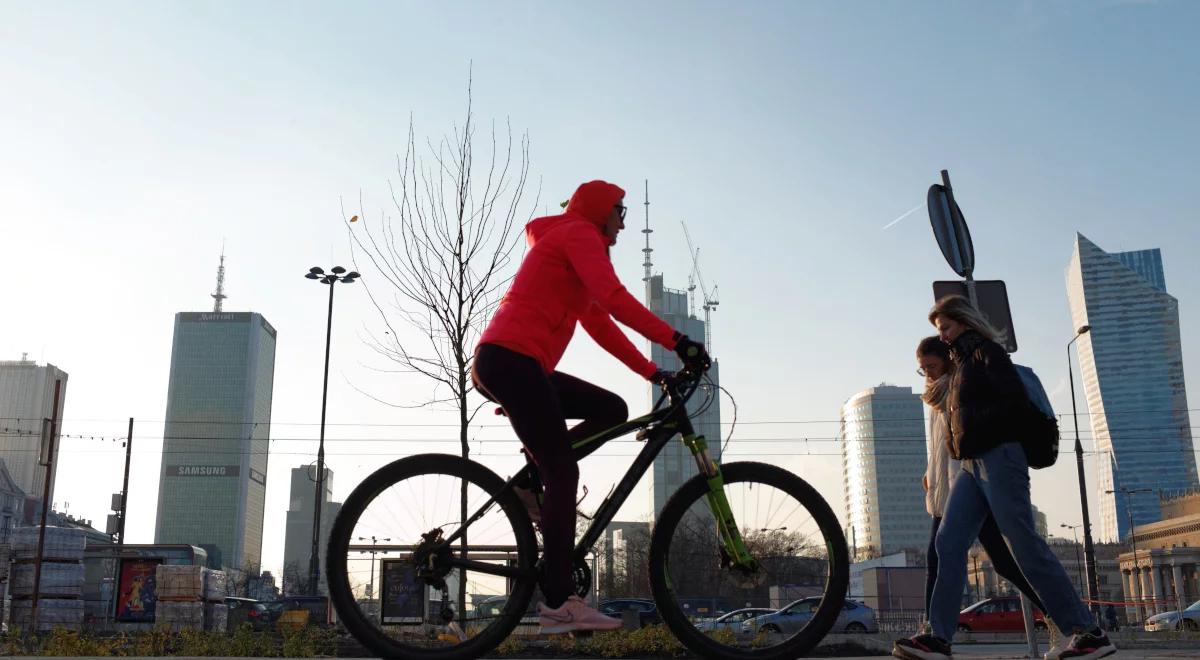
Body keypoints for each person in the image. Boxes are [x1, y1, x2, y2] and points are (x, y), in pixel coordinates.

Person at [472, 180, 709, 634]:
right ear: (602, 210)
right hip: (511, 361)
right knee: (563, 472)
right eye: (621, 212)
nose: (623, 223)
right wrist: (678, 342)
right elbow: (616, 299)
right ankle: (560, 603)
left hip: (516, 364)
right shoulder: (579, 234)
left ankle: (529, 484)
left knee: (611, 409)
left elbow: (600, 322)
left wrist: (652, 372)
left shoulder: (572, 246)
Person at [894, 295, 1115, 660]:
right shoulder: (961, 363)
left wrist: (978, 430)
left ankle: (1089, 632)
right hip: (971, 464)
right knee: (948, 543)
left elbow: (1012, 404)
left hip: (999, 457)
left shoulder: (988, 353)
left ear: (964, 322)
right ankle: (938, 638)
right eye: (940, 330)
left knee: (1023, 545)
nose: (943, 336)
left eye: (946, 327)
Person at [917, 336, 1046, 621]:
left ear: (947, 361)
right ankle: (931, 630)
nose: (928, 374)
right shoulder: (935, 397)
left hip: (969, 486)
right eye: (923, 369)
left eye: (932, 366)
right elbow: (940, 445)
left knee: (1001, 562)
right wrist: (930, 472)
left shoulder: (958, 390)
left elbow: (965, 439)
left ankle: (1058, 615)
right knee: (985, 562)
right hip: (946, 489)